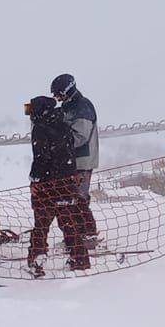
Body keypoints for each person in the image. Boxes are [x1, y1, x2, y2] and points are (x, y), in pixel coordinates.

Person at [23, 94, 87, 276]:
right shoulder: (64, 125)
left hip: (48, 186)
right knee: (68, 222)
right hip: (67, 182)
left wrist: (34, 179)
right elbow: (69, 153)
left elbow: (41, 158)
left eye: (31, 110)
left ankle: (37, 261)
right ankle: (80, 259)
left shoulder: (41, 129)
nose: (30, 115)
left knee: (41, 225)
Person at [51, 71, 99, 248]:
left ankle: (88, 236)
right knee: (72, 199)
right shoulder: (68, 107)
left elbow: (80, 137)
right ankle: (77, 236)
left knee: (79, 198)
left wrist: (56, 137)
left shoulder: (82, 107)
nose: (57, 98)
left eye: (58, 94)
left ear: (67, 90)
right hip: (71, 161)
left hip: (82, 161)